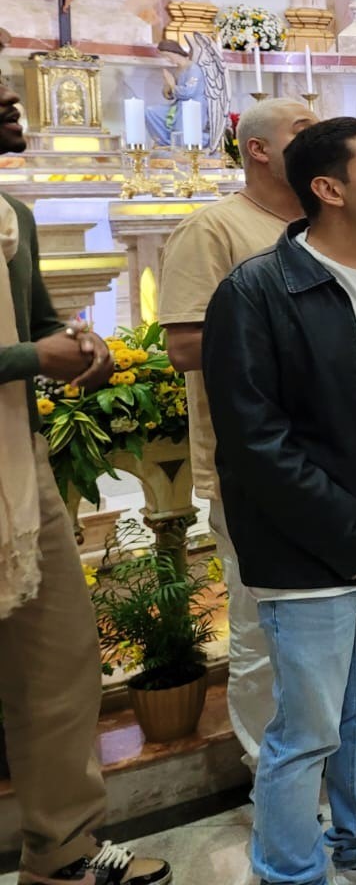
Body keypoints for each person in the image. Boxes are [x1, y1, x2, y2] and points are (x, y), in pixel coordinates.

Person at [161, 100, 356, 772]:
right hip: (271, 479)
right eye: (302, 127)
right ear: (263, 150)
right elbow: (184, 345)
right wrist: (290, 337)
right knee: (269, 642)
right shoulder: (219, 232)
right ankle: (276, 760)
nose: (318, 129)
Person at [1, 79, 169, 885]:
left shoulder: (15, 216)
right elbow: (25, 352)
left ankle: (61, 849)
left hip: (17, 470)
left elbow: (34, 323)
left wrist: (76, 345)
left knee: (59, 658)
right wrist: (35, 359)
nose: (11, 101)